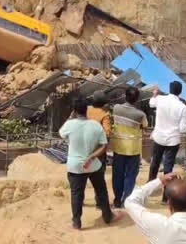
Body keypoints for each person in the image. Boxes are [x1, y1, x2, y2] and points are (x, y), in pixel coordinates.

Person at [58, 97, 116, 230]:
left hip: (75, 166)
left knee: (76, 193)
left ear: (74, 111)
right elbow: (104, 146)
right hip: (93, 165)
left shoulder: (69, 125)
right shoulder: (96, 125)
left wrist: (70, 117)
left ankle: (77, 222)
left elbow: (61, 133)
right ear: (87, 110)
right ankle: (107, 216)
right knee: (101, 191)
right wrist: (91, 157)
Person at [148, 81, 186, 201]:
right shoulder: (183, 107)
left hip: (159, 137)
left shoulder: (160, 99)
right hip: (173, 140)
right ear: (180, 92)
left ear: (169, 89)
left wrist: (155, 94)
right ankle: (165, 197)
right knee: (168, 167)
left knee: (155, 163)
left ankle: (150, 188)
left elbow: (151, 103)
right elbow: (183, 128)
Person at [111, 86, 148, 207]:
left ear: (125, 96)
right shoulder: (140, 114)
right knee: (130, 176)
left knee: (118, 175)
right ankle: (126, 200)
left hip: (119, 147)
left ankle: (117, 199)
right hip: (133, 149)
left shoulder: (116, 108)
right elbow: (144, 126)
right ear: (137, 99)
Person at [87, 91, 112, 205]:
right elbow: (107, 133)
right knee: (98, 177)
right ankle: (99, 202)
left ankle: (79, 200)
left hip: (81, 148)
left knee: (81, 176)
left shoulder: (85, 109)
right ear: (104, 104)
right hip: (97, 151)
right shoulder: (104, 115)